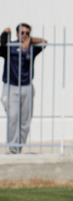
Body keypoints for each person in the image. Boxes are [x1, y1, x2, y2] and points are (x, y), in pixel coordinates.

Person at [0, 23, 47, 154]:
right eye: (22, 33)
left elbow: (45, 42)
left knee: (25, 121)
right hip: (12, 87)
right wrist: (4, 33)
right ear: (17, 34)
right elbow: (1, 44)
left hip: (27, 87)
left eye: (27, 33)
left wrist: (30, 41)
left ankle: (18, 148)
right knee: (13, 117)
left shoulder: (31, 48)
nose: (25, 35)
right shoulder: (10, 47)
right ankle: (12, 148)